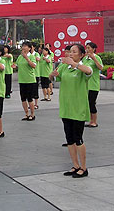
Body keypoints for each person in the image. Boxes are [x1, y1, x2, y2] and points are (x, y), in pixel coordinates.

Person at [50, 44, 93, 178]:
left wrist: (74, 64)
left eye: (74, 52)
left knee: (78, 138)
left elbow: (89, 71)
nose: (70, 54)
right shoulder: (64, 67)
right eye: (70, 52)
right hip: (66, 108)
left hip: (78, 108)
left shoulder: (81, 68)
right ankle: (75, 165)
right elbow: (54, 78)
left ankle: (84, 167)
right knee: (69, 139)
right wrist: (52, 75)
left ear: (81, 55)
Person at [83, 42, 104, 128]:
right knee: (87, 103)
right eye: (86, 48)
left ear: (93, 49)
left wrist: (94, 59)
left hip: (93, 84)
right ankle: (90, 120)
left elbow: (101, 67)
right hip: (85, 84)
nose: (87, 49)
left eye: (89, 48)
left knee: (92, 103)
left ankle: (94, 121)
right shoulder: (85, 59)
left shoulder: (97, 57)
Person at [16, 42, 37, 121]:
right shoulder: (20, 57)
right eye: (23, 46)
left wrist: (27, 58)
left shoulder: (31, 56)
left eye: (25, 46)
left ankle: (32, 114)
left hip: (30, 80)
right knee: (23, 98)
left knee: (30, 98)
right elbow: (17, 65)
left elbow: (34, 66)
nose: (23, 48)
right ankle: (26, 114)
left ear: (29, 48)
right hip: (22, 80)